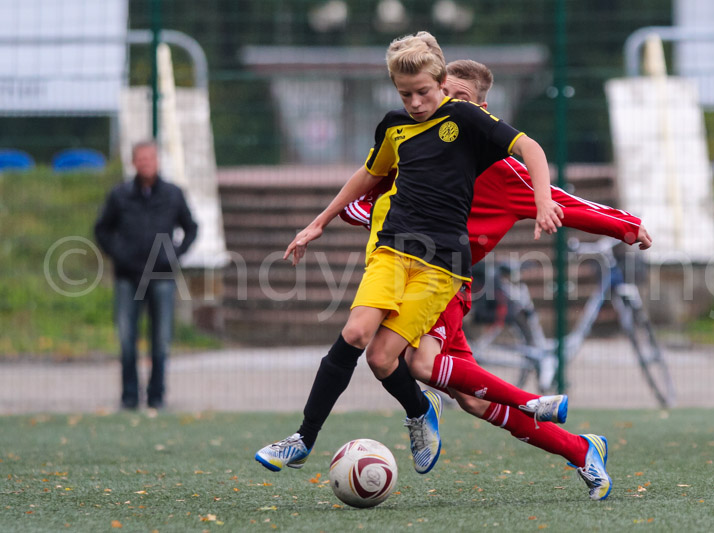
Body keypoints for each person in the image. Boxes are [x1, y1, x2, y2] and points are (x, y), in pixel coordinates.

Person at [338, 59, 653, 500]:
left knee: (420, 364)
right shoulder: (419, 143)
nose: (448, 106)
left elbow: (566, 201)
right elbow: (374, 191)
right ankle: (581, 449)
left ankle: (527, 403)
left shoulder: (501, 170)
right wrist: (357, 211)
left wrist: (626, 225)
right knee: (474, 400)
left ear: (482, 110)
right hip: (405, 270)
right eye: (444, 95)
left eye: (461, 100)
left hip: (446, 281)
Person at [255, 31, 566, 476]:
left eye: (423, 92)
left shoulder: (465, 118)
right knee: (356, 334)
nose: (416, 102)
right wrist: (318, 222)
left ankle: (420, 410)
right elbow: (368, 174)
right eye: (406, 94)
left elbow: (530, 148)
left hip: (443, 265)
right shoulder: (393, 125)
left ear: (442, 82)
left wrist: (542, 200)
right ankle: (303, 439)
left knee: (384, 359)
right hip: (392, 248)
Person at [94, 140, 198, 410]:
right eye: (140, 159)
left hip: (162, 277)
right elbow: (102, 230)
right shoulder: (119, 195)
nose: (145, 163)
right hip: (127, 279)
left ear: (157, 161)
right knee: (127, 340)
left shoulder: (173, 194)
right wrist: (119, 255)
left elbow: (191, 228)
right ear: (133, 162)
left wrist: (173, 255)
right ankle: (129, 398)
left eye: (149, 158)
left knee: (161, 341)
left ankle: (156, 397)